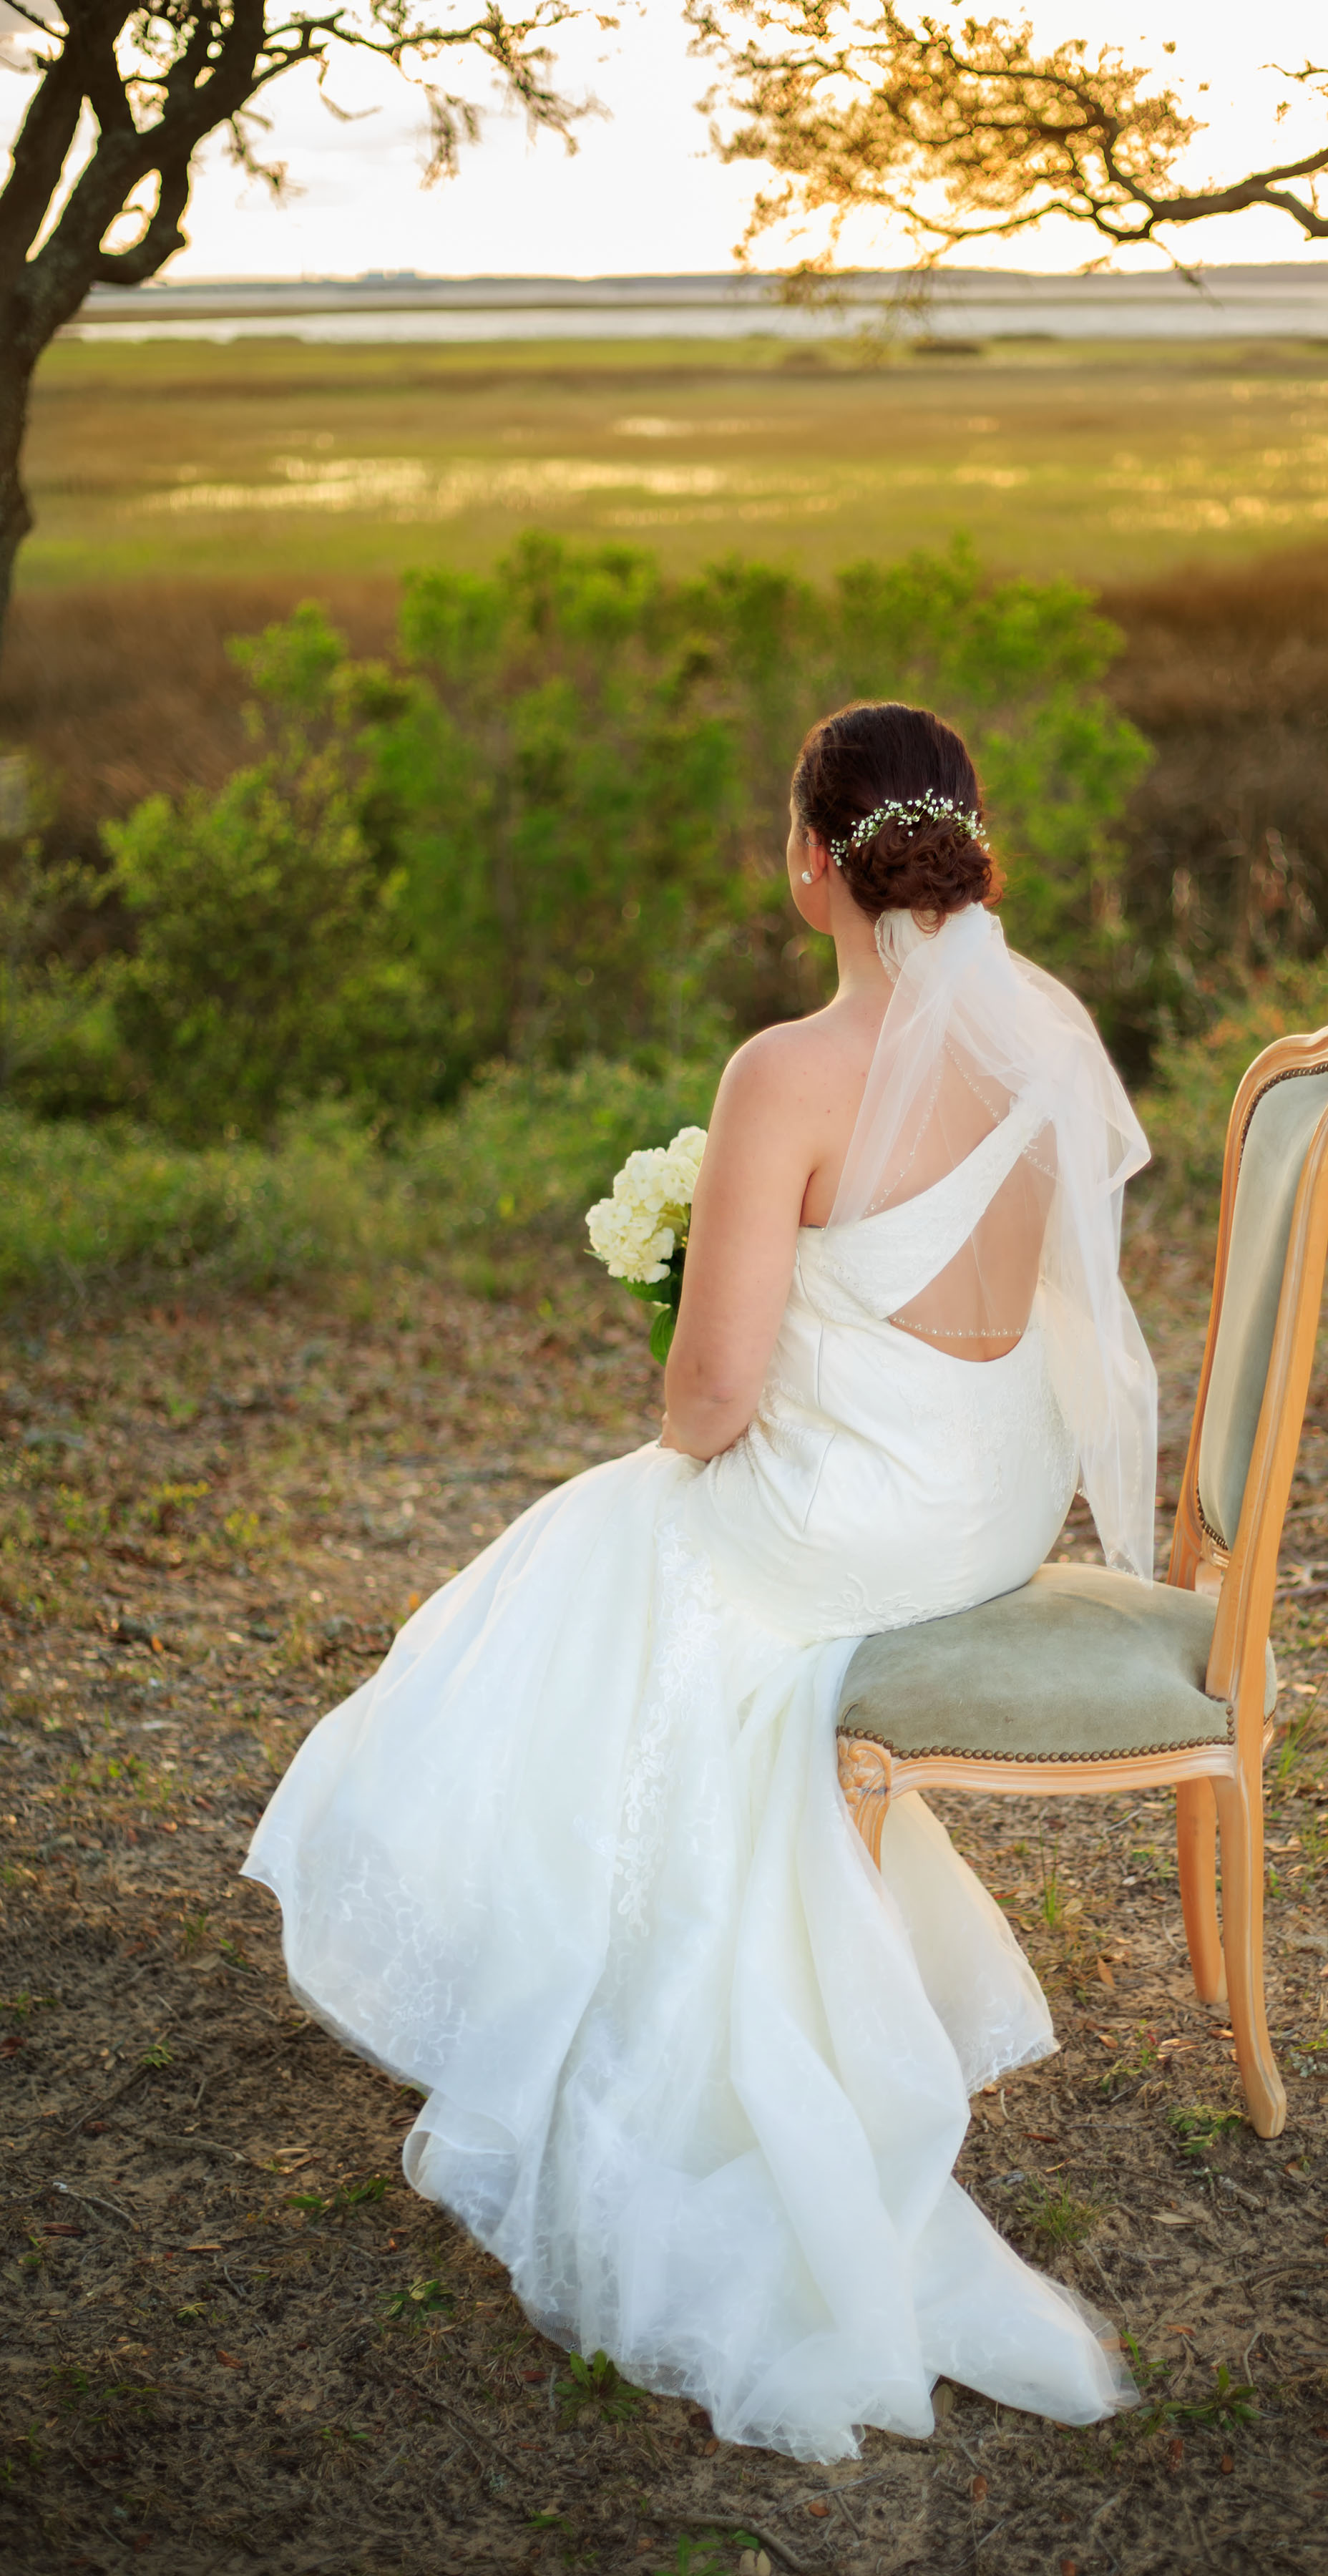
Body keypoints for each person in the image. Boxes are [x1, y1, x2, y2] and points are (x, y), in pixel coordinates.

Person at [244, 701, 1159, 2464]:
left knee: (600, 1545)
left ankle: (560, 1981)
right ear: (971, 855)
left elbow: (717, 1397)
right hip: (984, 1501)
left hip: (859, 1521)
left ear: (809, 856)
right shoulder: (1049, 1043)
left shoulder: (784, 1074)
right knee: (640, 1555)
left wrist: (687, 1354)